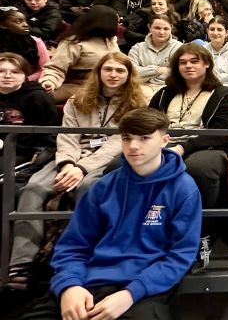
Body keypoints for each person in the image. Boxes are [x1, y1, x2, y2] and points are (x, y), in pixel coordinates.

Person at [19, 108, 201, 320]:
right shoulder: (103, 186)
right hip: (87, 280)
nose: (133, 146)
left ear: (164, 140)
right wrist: (69, 285)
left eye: (144, 138)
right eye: (127, 138)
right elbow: (73, 245)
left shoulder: (184, 189)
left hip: (141, 288)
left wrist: (130, 294)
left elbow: (180, 255)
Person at [9, 53, 146, 289]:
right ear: (99, 72)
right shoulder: (77, 100)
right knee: (33, 188)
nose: (113, 75)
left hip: (106, 160)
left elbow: (118, 144)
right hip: (70, 157)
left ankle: (76, 262)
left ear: (128, 75)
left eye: (120, 71)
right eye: (108, 69)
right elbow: (68, 136)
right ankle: (21, 265)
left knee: (87, 188)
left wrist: (82, 168)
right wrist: (68, 164)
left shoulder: (136, 104)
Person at [149, 43, 228, 271]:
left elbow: (224, 135)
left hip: (207, 149)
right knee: (117, 167)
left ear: (206, 64)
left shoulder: (222, 95)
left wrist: (185, 146)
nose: (188, 66)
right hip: (162, 146)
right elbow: (147, 123)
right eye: (183, 62)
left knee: (195, 169)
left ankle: (200, 236)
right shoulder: (164, 94)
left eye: (194, 61)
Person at [39, 5, 120, 102]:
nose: (118, 25)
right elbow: (56, 67)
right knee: (44, 98)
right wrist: (49, 82)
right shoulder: (74, 42)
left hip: (112, 83)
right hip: (79, 85)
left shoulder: (111, 40)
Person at [0, 53, 57, 167]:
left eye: (15, 72)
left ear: (25, 75)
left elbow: (46, 135)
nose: (7, 75)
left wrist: (4, 145)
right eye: (1, 71)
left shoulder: (37, 97)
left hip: (23, 152)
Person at [128, 15, 183, 99]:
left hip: (168, 88)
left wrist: (145, 73)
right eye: (157, 28)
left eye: (166, 29)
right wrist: (157, 70)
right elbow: (131, 73)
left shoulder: (179, 47)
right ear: (149, 28)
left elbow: (178, 74)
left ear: (171, 28)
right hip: (141, 87)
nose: (161, 32)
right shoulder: (137, 48)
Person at [0, 7, 49, 81]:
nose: (26, 25)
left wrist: (26, 79)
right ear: (3, 25)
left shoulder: (36, 41)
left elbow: (45, 68)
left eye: (25, 21)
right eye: (19, 22)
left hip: (28, 83)